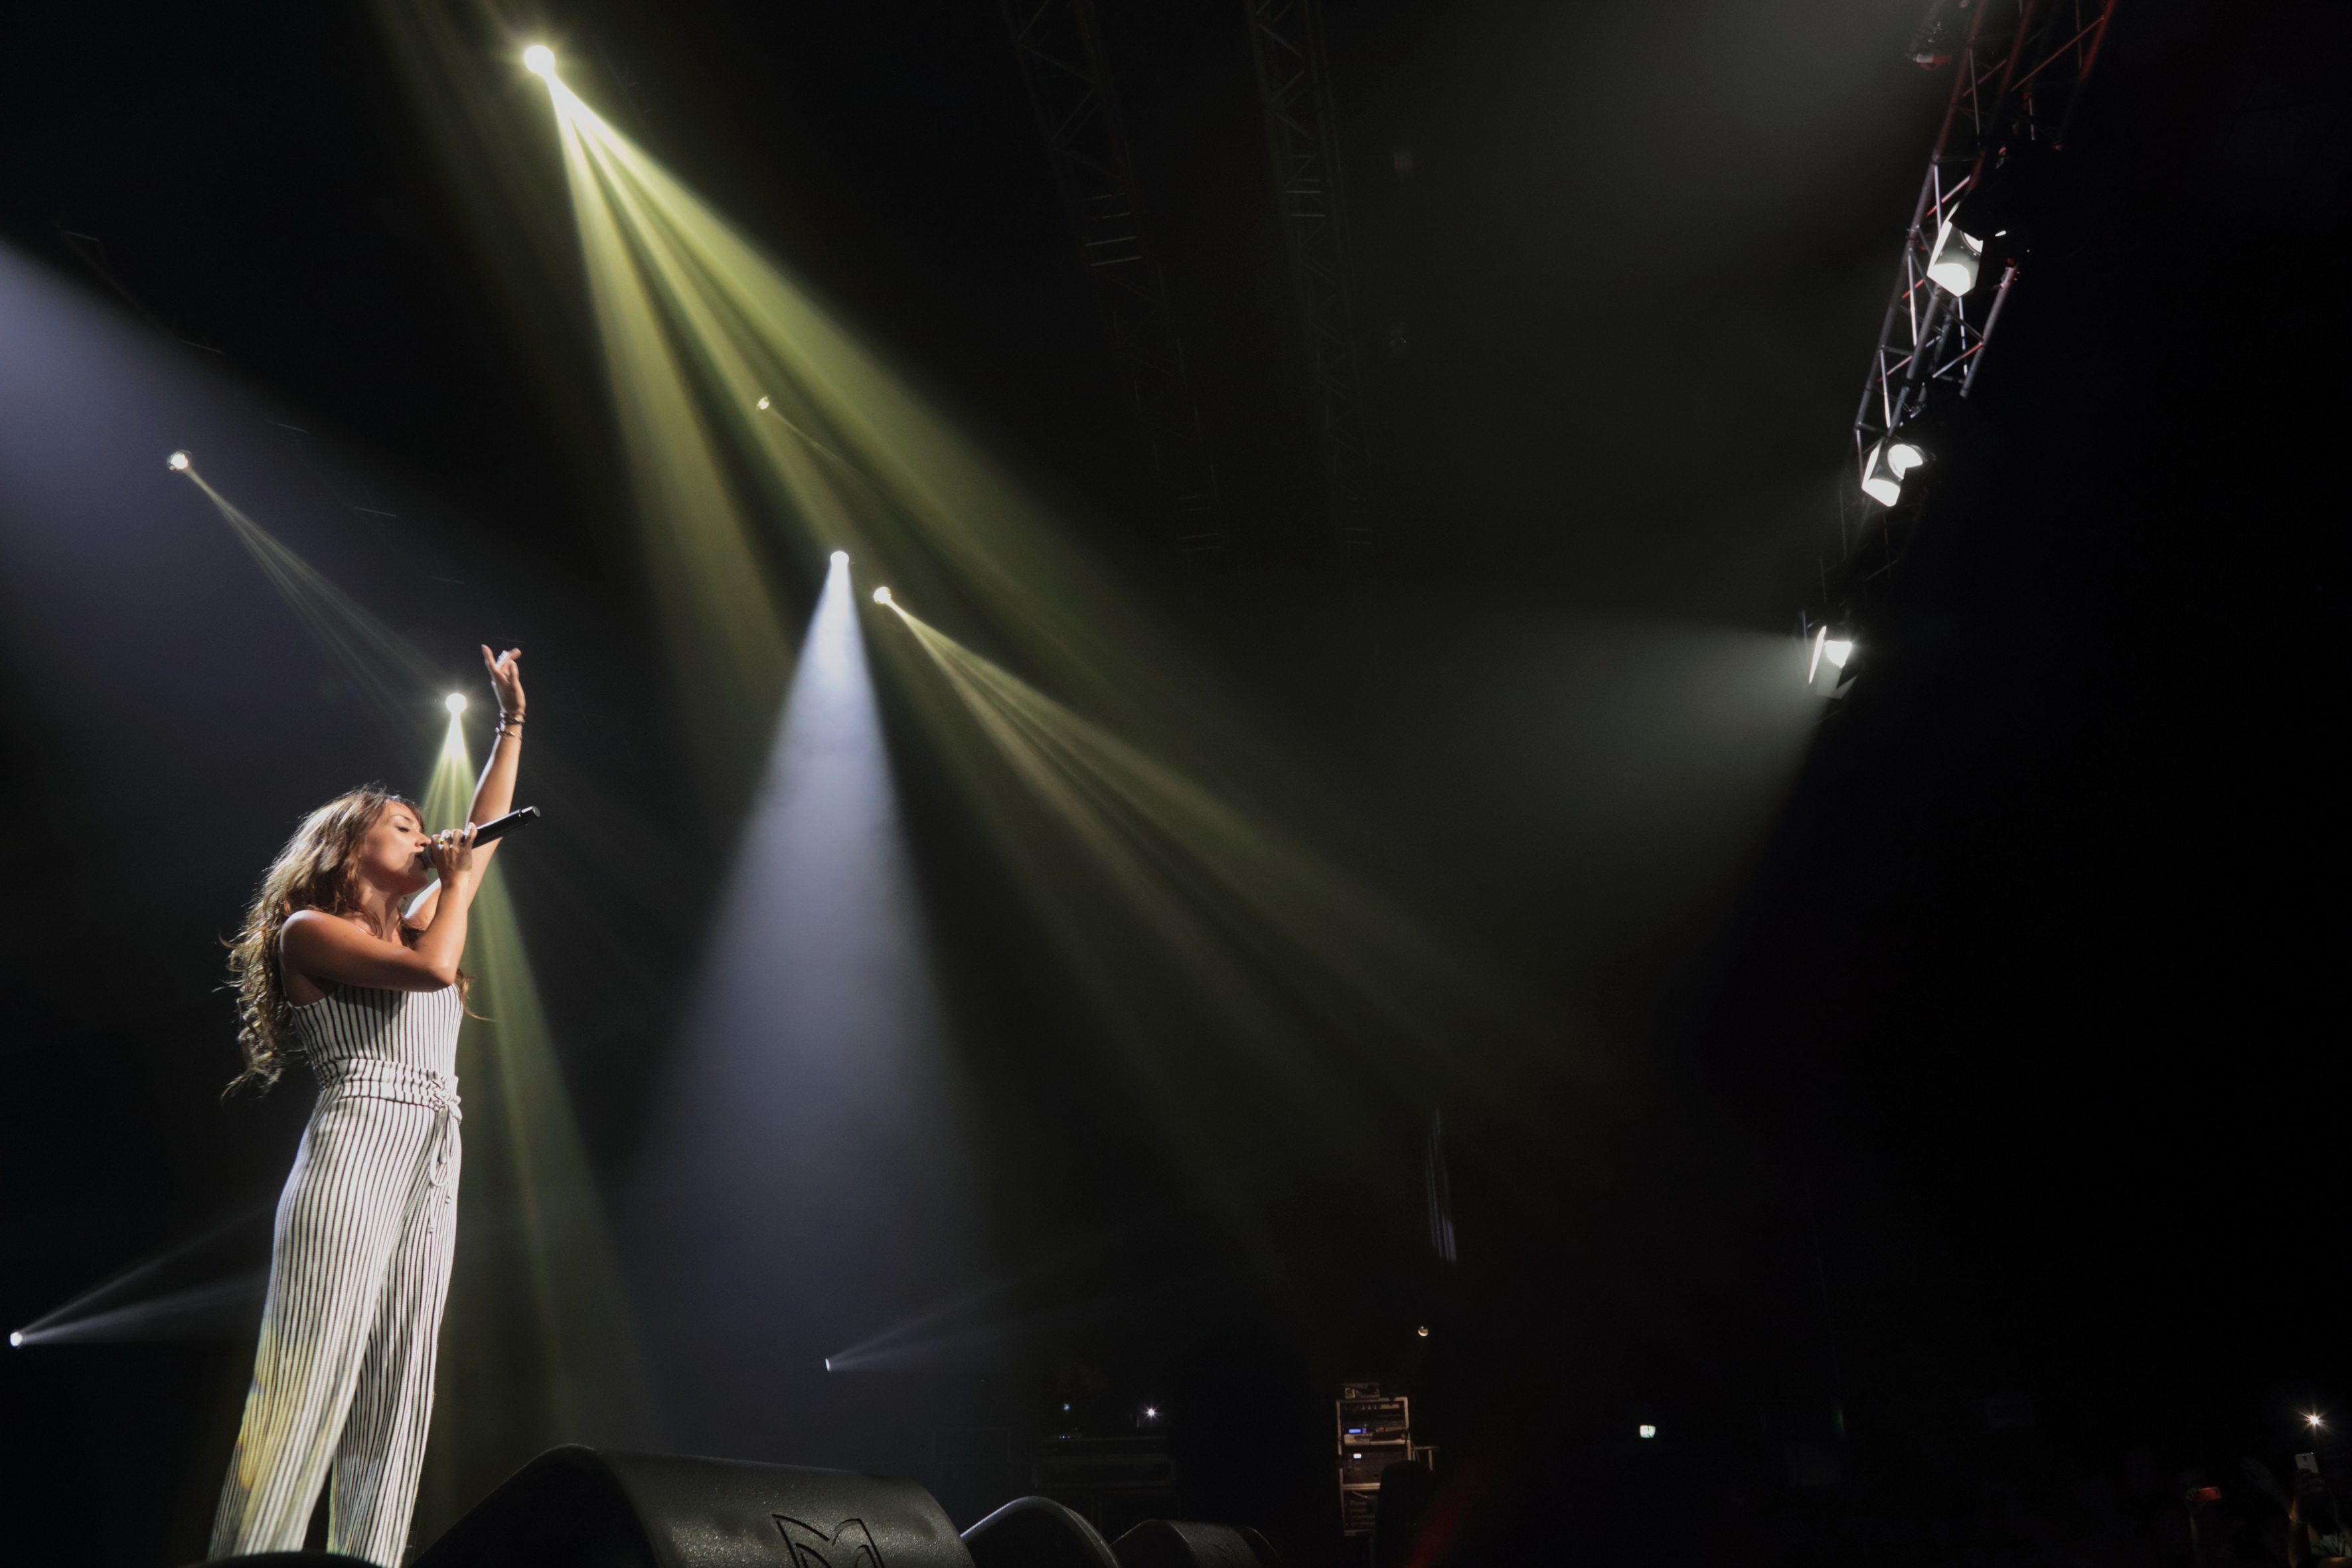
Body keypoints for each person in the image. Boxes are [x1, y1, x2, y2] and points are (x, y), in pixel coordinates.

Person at [208, 646, 526, 1567]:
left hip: (432, 1147)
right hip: (355, 1147)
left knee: (399, 1382)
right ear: (349, 849)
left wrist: (512, 723)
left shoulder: (425, 919)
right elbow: (433, 970)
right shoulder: (309, 930)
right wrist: (455, 881)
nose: (425, 834)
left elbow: (483, 837)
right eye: (402, 824)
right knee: (304, 1386)